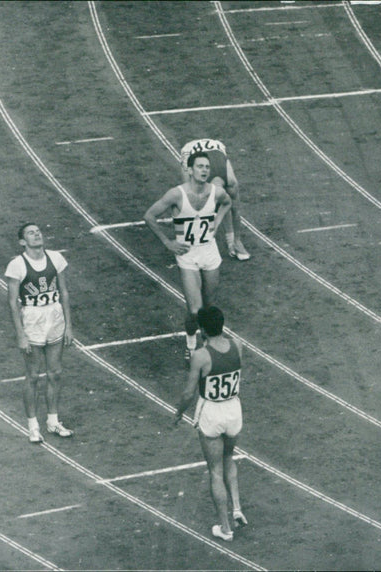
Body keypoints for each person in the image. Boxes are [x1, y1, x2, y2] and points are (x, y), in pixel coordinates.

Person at [144, 151, 232, 364]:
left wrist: (217, 222)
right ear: (190, 170)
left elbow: (228, 202)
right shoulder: (176, 195)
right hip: (188, 255)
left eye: (207, 168)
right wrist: (168, 242)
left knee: (209, 308)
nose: (204, 171)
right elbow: (149, 216)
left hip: (209, 252)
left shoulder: (216, 192)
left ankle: (207, 347)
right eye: (200, 167)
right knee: (195, 310)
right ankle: (191, 343)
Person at [173, 306, 247, 541]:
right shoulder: (238, 345)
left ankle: (225, 528)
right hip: (234, 409)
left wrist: (178, 414)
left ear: (203, 329)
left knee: (215, 471)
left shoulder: (201, 356)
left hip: (212, 412)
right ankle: (236, 509)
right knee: (228, 458)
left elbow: (188, 393)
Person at [5, 223, 74, 443]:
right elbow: (13, 302)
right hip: (33, 320)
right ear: (22, 242)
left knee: (55, 372)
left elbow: (63, 292)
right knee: (33, 375)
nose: (37, 234)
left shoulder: (55, 258)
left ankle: (53, 421)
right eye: (31, 233)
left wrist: (69, 326)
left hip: (54, 317)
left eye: (38, 231)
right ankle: (33, 425)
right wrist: (21, 334)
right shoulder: (17, 265)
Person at [180, 138, 250, 261]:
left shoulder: (231, 183)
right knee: (189, 199)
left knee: (232, 206)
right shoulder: (196, 182)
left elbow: (235, 211)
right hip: (190, 150)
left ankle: (235, 243)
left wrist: (237, 239)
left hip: (216, 147)